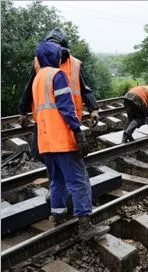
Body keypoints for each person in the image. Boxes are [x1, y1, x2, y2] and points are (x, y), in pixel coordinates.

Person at [32, 41, 109, 239]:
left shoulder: (38, 78)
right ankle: (85, 227)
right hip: (62, 139)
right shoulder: (56, 76)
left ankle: (58, 216)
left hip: (45, 140)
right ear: (52, 56)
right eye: (58, 55)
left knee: (56, 180)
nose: (60, 58)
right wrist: (78, 131)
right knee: (79, 181)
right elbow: (66, 108)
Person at [18, 28, 99, 161]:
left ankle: (61, 177)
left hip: (68, 119)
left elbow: (85, 89)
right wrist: (23, 111)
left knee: (67, 156)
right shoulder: (37, 63)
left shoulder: (75, 64)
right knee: (40, 154)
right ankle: (57, 177)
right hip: (45, 119)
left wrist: (93, 109)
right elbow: (29, 89)